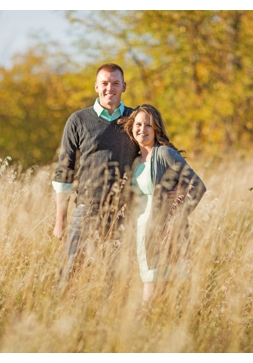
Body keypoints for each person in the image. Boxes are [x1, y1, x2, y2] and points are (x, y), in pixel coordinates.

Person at [52, 63, 139, 289]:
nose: (110, 88)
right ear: (96, 87)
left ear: (124, 87)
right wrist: (60, 221)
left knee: (115, 275)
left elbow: (152, 155)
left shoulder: (135, 119)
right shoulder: (78, 120)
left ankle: (109, 319)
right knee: (69, 269)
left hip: (123, 211)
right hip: (87, 208)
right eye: (105, 83)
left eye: (115, 83)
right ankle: (57, 313)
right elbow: (64, 171)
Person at [119, 104, 206, 302]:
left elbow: (197, 186)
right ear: (132, 128)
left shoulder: (165, 154)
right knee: (156, 299)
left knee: (152, 299)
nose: (143, 129)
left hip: (163, 234)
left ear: (156, 128)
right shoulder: (135, 160)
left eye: (148, 125)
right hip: (142, 234)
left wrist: (175, 220)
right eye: (139, 124)